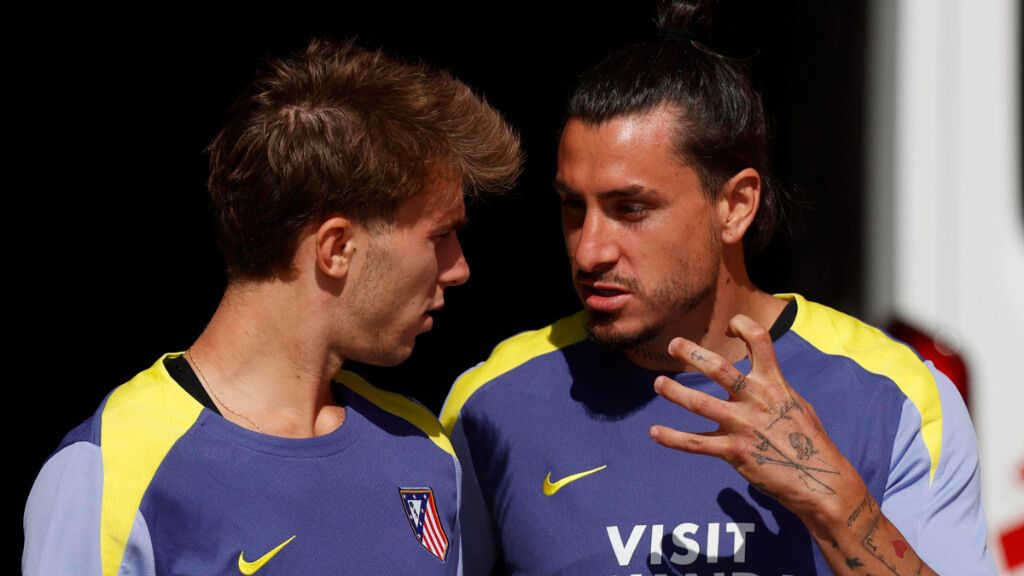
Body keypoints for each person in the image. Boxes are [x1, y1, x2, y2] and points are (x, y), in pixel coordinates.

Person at [440, 2, 996, 574]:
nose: (589, 250)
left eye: (631, 209)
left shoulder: (896, 396)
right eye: (574, 207)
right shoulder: (492, 403)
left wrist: (832, 498)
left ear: (735, 206)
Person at [23, 39, 521, 576]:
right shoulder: (110, 469)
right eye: (441, 235)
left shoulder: (425, 451)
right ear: (336, 249)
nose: (460, 267)